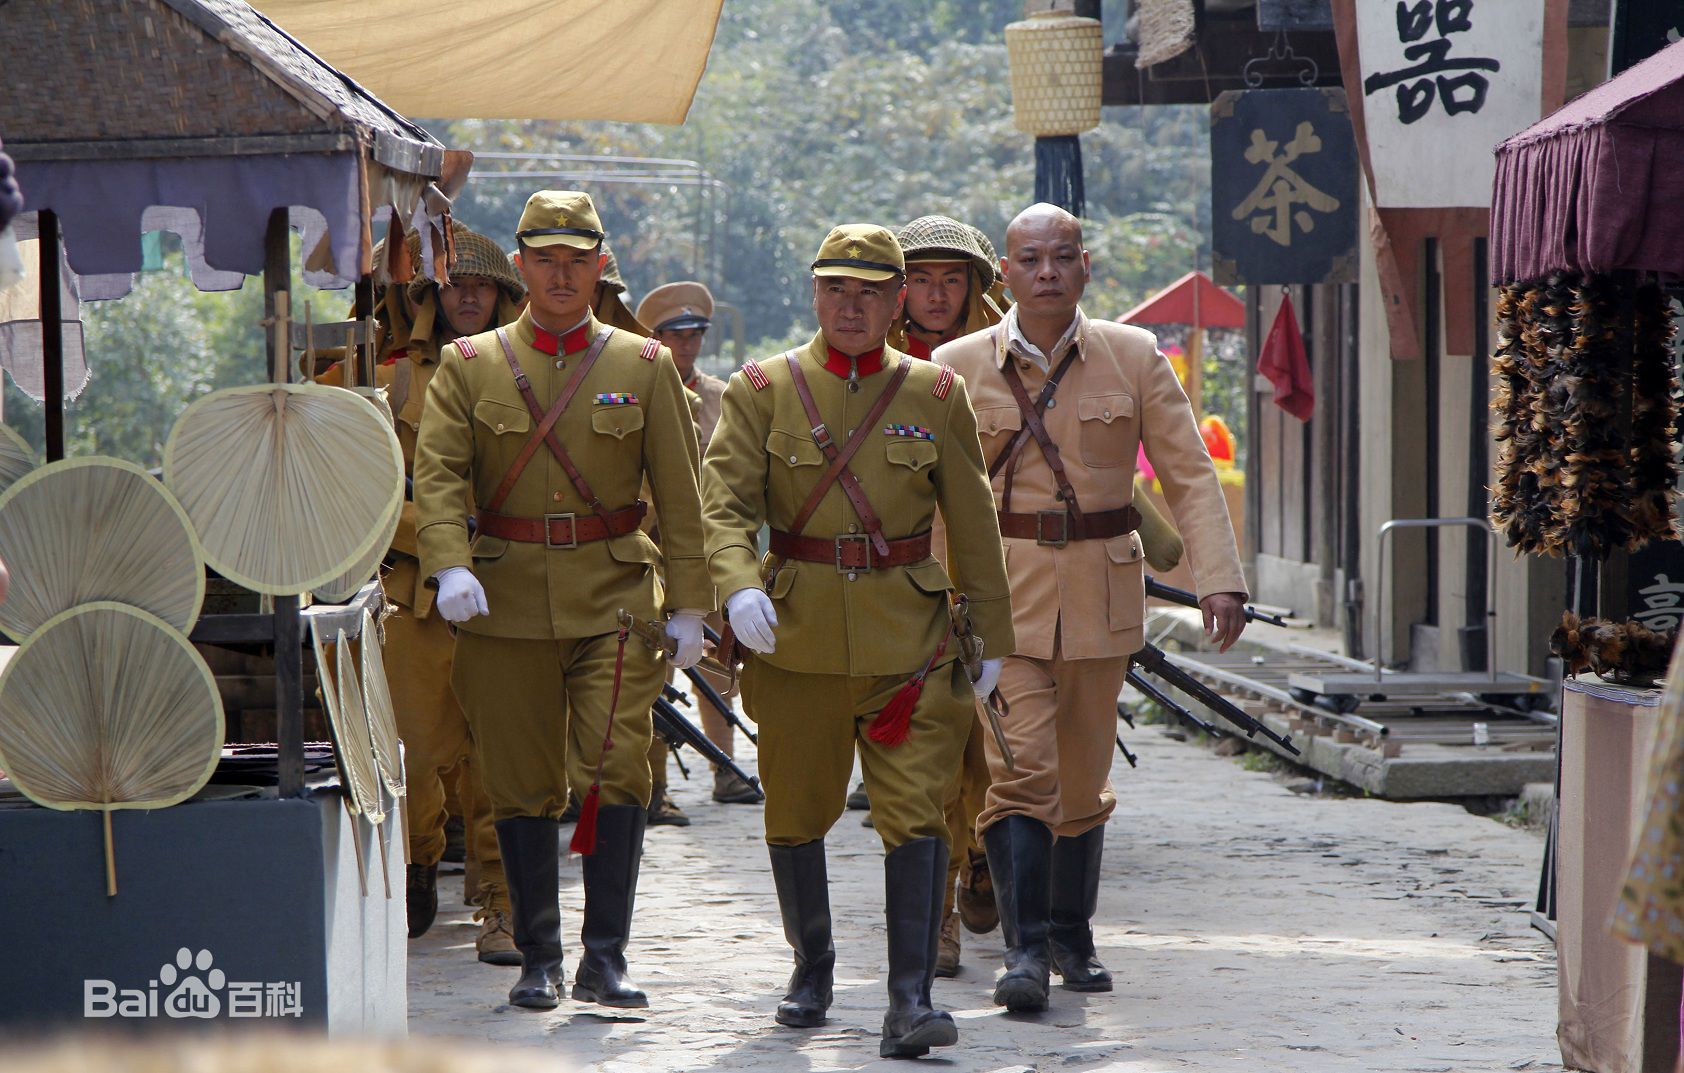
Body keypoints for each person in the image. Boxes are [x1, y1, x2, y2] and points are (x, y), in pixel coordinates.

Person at [701, 224, 1013, 1058]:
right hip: (794, 636)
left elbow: (973, 522)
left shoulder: (935, 393)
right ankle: (812, 966)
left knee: (917, 814)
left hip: (908, 642)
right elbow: (724, 502)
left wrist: (994, 636)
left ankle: (909, 999)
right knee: (797, 811)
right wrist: (734, 583)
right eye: (837, 287)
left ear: (897, 299)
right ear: (813, 292)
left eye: (871, 290)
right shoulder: (762, 388)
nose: (852, 304)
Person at [935, 203, 1248, 1013]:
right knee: (1021, 770)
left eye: (1062, 256)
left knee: (1083, 778)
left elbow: (1187, 473)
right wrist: (934, 600)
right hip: (1000, 601)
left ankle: (1072, 931)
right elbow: (929, 496)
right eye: (1030, 258)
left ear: (1085, 267)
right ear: (1003, 273)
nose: (1046, 271)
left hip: (1104, 596)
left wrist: (1220, 575)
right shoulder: (955, 365)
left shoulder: (1135, 357)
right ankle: (1025, 949)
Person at [413, 190, 712, 1012]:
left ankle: (604, 957)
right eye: (544, 259)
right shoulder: (468, 365)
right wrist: (447, 563)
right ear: (520, 268)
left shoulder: (643, 365)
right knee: (518, 781)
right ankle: (539, 954)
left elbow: (683, 497)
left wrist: (692, 604)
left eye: (577, 259)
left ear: (600, 267)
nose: (560, 274)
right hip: (501, 599)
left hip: (613, 598)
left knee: (618, 767)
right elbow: (437, 475)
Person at [315, 222, 524, 966]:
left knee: (502, 762)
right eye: (455, 284)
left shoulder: (534, 372)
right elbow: (338, 464)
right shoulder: (394, 375)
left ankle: (502, 907)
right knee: (413, 752)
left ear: (504, 295)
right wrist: (436, 534)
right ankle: (421, 854)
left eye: (483, 285)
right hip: (415, 591)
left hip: (512, 588)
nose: (469, 296)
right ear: (434, 294)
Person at [890, 215, 1007, 978]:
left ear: (974, 286)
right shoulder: (873, 362)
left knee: (995, 764)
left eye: (951, 278)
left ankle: (984, 861)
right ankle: (936, 924)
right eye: (922, 278)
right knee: (924, 766)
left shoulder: (1011, 360)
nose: (936, 295)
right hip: (905, 590)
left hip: (998, 584)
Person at [636, 280, 760, 814]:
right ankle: (654, 787)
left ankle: (726, 770)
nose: (687, 345)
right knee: (651, 675)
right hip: (651, 551)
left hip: (706, 553)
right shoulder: (637, 388)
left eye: (695, 335)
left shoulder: (720, 396)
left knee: (717, 663)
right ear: (656, 337)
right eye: (675, 335)